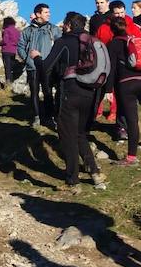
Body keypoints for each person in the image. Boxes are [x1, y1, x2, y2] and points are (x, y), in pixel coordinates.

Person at [37, 12, 105, 191]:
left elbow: (45, 67)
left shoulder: (63, 42)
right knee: (81, 133)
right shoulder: (92, 42)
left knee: (67, 135)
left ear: (67, 25)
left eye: (64, 24)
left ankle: (73, 180)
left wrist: (36, 57)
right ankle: (95, 173)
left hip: (70, 92)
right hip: (90, 92)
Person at [106, 17, 141, 166]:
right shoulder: (135, 39)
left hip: (126, 84)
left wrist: (109, 89)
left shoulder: (113, 44)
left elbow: (112, 68)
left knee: (132, 120)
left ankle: (131, 157)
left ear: (112, 30)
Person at [17, 3, 61, 127]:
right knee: (34, 92)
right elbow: (20, 46)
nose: (49, 14)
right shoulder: (28, 30)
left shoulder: (53, 29)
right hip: (33, 67)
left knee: (48, 93)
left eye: (49, 12)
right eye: (46, 12)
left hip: (48, 66)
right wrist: (27, 59)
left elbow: (60, 45)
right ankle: (36, 117)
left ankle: (49, 117)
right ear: (38, 14)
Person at [0, 17, 21, 87]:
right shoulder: (17, 31)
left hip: (6, 50)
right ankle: (13, 80)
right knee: (11, 66)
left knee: (7, 67)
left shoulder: (6, 30)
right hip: (13, 51)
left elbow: (5, 41)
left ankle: (8, 82)